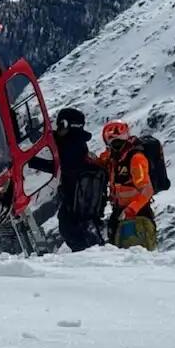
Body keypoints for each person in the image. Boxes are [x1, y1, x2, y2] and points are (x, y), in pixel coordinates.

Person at [28, 107, 108, 252]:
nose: (57, 128)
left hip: (74, 204)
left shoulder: (70, 146)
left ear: (65, 124)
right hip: (79, 202)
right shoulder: (75, 142)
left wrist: (31, 161)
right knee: (75, 231)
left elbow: (59, 165)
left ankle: (89, 260)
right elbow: (54, 139)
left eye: (59, 125)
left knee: (71, 231)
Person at [98, 119, 157, 250]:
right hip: (120, 212)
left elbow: (147, 190)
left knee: (136, 255)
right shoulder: (115, 159)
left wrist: (131, 209)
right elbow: (102, 162)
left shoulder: (136, 159)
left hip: (137, 215)